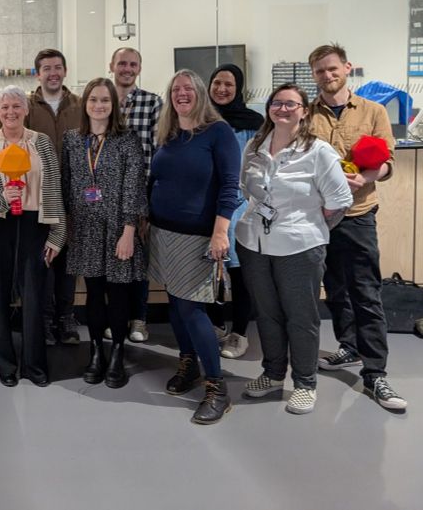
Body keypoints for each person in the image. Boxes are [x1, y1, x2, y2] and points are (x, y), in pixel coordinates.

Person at [236, 84, 353, 415]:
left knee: (301, 316)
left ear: (304, 110)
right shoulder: (255, 146)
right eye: (277, 103)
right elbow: (247, 189)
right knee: (267, 313)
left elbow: (339, 202)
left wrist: (310, 229)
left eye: (291, 104)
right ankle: (273, 374)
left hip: (300, 247)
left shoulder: (318, 151)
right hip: (254, 243)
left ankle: (305, 383)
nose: (282, 109)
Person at [308, 43, 406, 410]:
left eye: (332, 69)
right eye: (320, 71)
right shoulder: (306, 114)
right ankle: (348, 346)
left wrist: (362, 180)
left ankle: (376, 374)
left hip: (357, 212)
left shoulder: (373, 111)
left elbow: (387, 162)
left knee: (365, 291)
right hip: (317, 217)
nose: (327, 76)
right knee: (333, 288)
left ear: (347, 68)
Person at [149, 70, 240, 425]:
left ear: (200, 94)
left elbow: (230, 186)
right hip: (162, 232)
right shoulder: (169, 135)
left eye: (188, 89)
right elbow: (157, 178)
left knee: (191, 308)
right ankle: (187, 362)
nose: (182, 94)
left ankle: (217, 389)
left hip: (198, 236)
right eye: (176, 90)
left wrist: (220, 233)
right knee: (174, 299)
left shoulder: (218, 133)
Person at [0, 85, 66, 387]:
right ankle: (3, 363)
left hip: (34, 223)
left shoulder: (42, 143)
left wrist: (57, 234)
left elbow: (54, 187)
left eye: (16, 106)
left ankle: (35, 364)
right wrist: (1, 196)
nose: (10, 112)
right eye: (5, 107)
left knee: (35, 295)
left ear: (26, 110)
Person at [61, 79, 147, 389]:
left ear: (114, 105)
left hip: (117, 229)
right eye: (94, 100)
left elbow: (134, 187)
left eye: (105, 100)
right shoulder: (72, 140)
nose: (99, 105)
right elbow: (67, 187)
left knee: (119, 294)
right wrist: (68, 228)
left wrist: (128, 231)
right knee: (94, 294)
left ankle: (118, 352)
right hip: (85, 229)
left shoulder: (127, 140)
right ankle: (97, 350)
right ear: (85, 104)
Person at [25, 49, 82, 347]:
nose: (53, 73)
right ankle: (44, 319)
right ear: (38, 73)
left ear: (65, 70)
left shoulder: (80, 105)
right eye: (46, 68)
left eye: (58, 67)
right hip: (39, 195)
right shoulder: (27, 106)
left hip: (74, 194)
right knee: (44, 257)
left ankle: (66, 318)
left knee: (69, 260)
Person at [207, 63, 263, 359]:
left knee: (239, 271)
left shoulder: (254, 122)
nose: (222, 89)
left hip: (241, 207)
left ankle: (239, 332)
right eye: (217, 83)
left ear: (238, 88)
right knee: (210, 270)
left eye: (229, 84)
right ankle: (215, 325)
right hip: (207, 206)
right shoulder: (201, 119)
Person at [109, 47, 163, 343]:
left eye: (132, 64)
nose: (126, 68)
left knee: (137, 258)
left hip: (140, 194)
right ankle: (115, 316)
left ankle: (139, 319)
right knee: (112, 259)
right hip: (104, 197)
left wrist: (148, 198)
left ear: (139, 68)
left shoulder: (152, 103)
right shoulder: (101, 100)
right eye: (121, 63)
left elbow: (158, 151)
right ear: (111, 65)